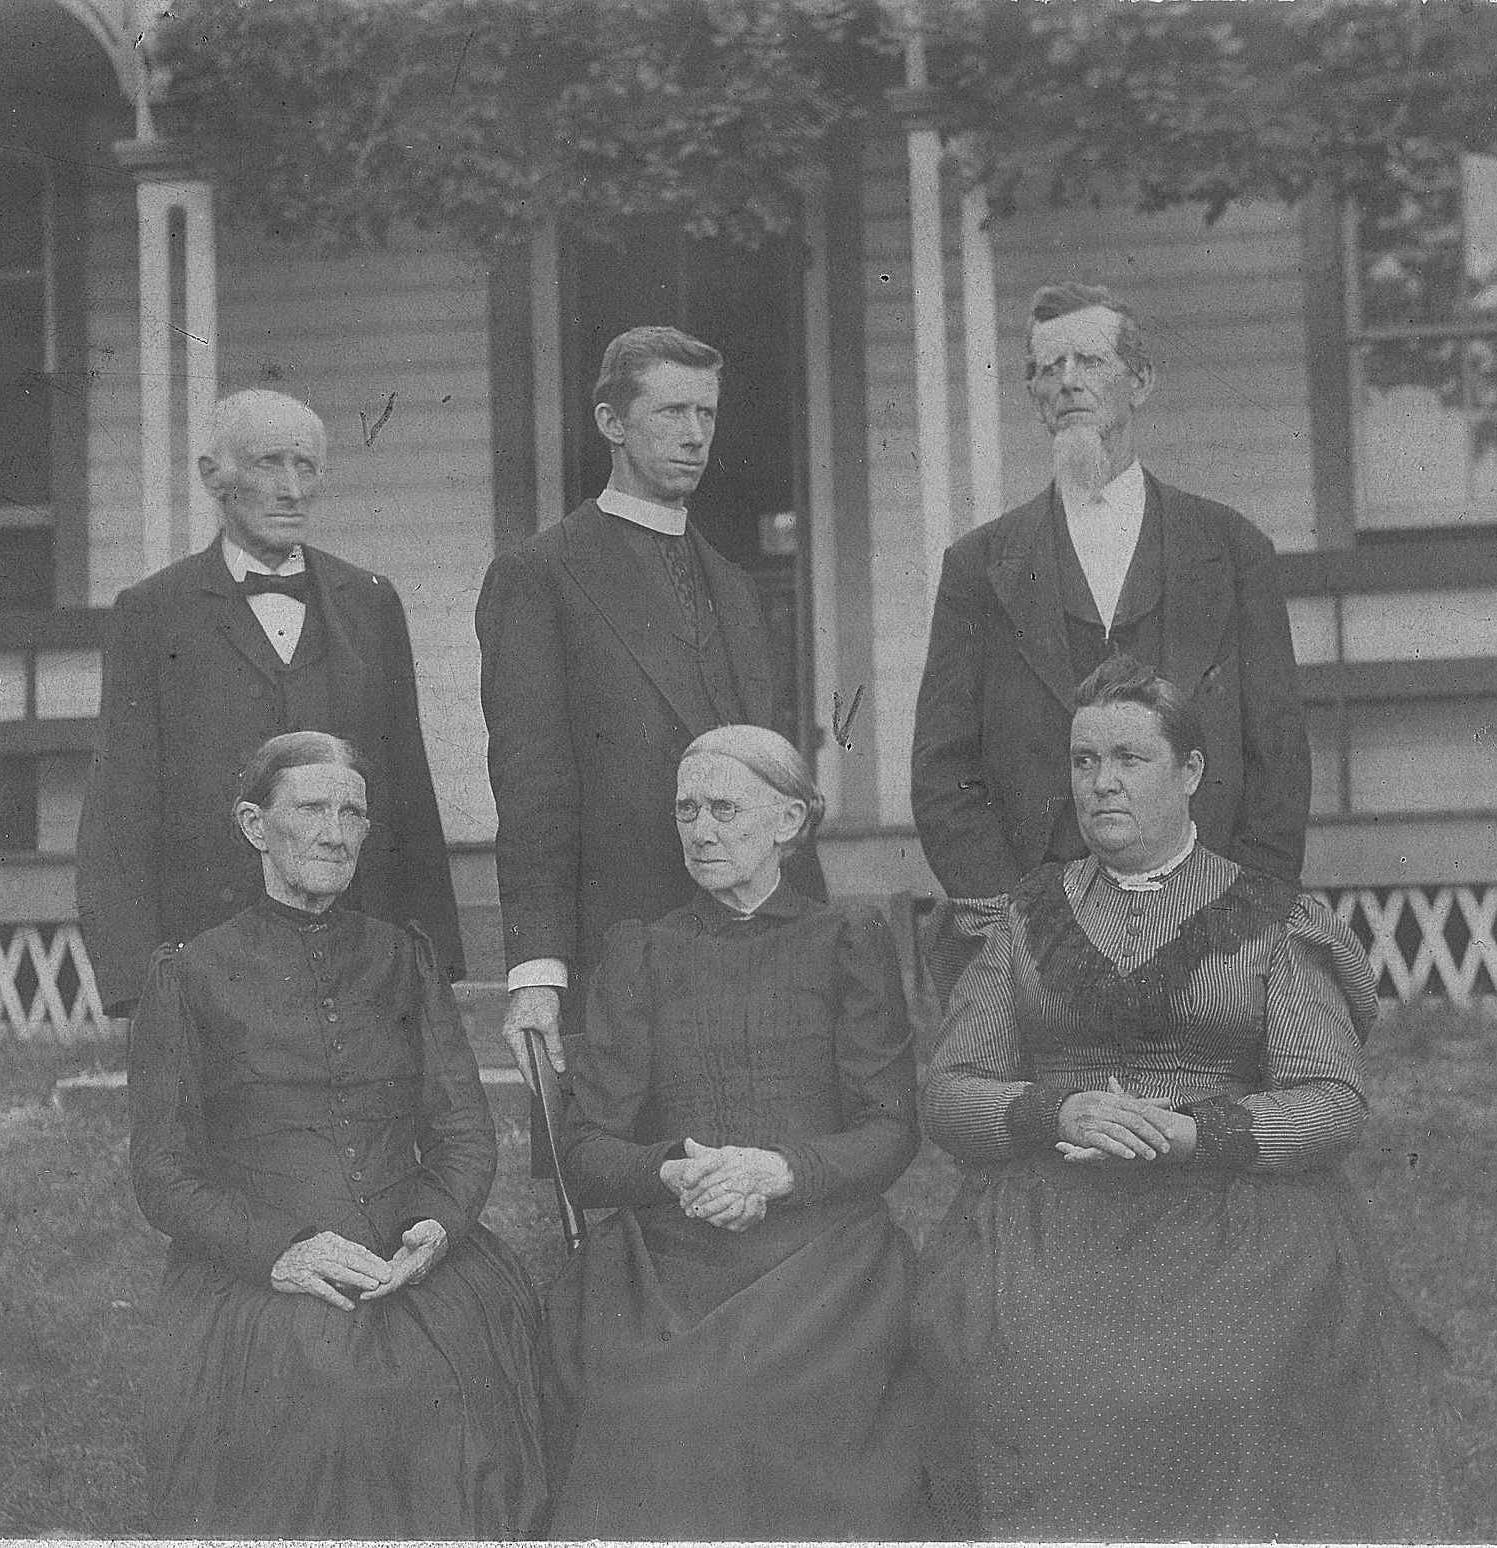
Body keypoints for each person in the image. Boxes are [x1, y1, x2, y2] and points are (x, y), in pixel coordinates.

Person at [911, 656, 1449, 1541]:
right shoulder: (1027, 917)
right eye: (1084, 761)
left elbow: (1331, 1102)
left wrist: (1192, 1131)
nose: (1102, 783)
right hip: (1048, 1212)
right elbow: (950, 1093)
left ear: (1190, 772)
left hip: (1235, 1212)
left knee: (1219, 1383)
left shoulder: (1268, 917)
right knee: (1018, 1373)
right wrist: (1058, 1111)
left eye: (1130, 759)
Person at [128, 732, 546, 1538]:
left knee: (463, 1385)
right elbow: (163, 1172)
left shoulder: (404, 958)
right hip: (264, 1273)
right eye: (312, 809)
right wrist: (278, 1252)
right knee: (328, 1396)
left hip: (411, 1255)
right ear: (255, 826)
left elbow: (464, 1132)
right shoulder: (191, 974)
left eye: (352, 813)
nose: (335, 833)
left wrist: (436, 1226)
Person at [543, 725, 927, 1540]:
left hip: (822, 1253)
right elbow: (584, 1149)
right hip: (667, 1259)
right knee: (670, 1407)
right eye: (686, 811)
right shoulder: (642, 951)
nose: (701, 831)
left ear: (789, 822)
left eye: (724, 809)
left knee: (765, 1399)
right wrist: (671, 1172)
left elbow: (891, 1129)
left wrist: (779, 1172)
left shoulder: (845, 941)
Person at [477, 325, 821, 1085]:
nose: (695, 435)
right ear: (612, 423)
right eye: (671, 412)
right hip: (620, 950)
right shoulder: (540, 575)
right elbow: (531, 787)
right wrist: (537, 971)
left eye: (706, 413)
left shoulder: (733, 585)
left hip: (752, 945)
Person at [912, 281, 1311, 912]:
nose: (1069, 382)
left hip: (1210, 914)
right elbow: (943, 770)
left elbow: (1278, 759)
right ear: (1035, 396)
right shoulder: (979, 567)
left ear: (1141, 382)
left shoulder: (1233, 552)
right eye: (1050, 369)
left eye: (1090, 361)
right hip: (1036, 919)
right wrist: (1013, 919)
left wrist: (1245, 912)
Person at [77, 389, 462, 1017]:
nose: (291, 489)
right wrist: (138, 985)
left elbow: (407, 789)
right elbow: (122, 804)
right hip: (212, 955)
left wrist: (431, 960)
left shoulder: (370, 603)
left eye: (306, 466)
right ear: (213, 476)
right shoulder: (154, 612)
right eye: (268, 464)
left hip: (360, 952)